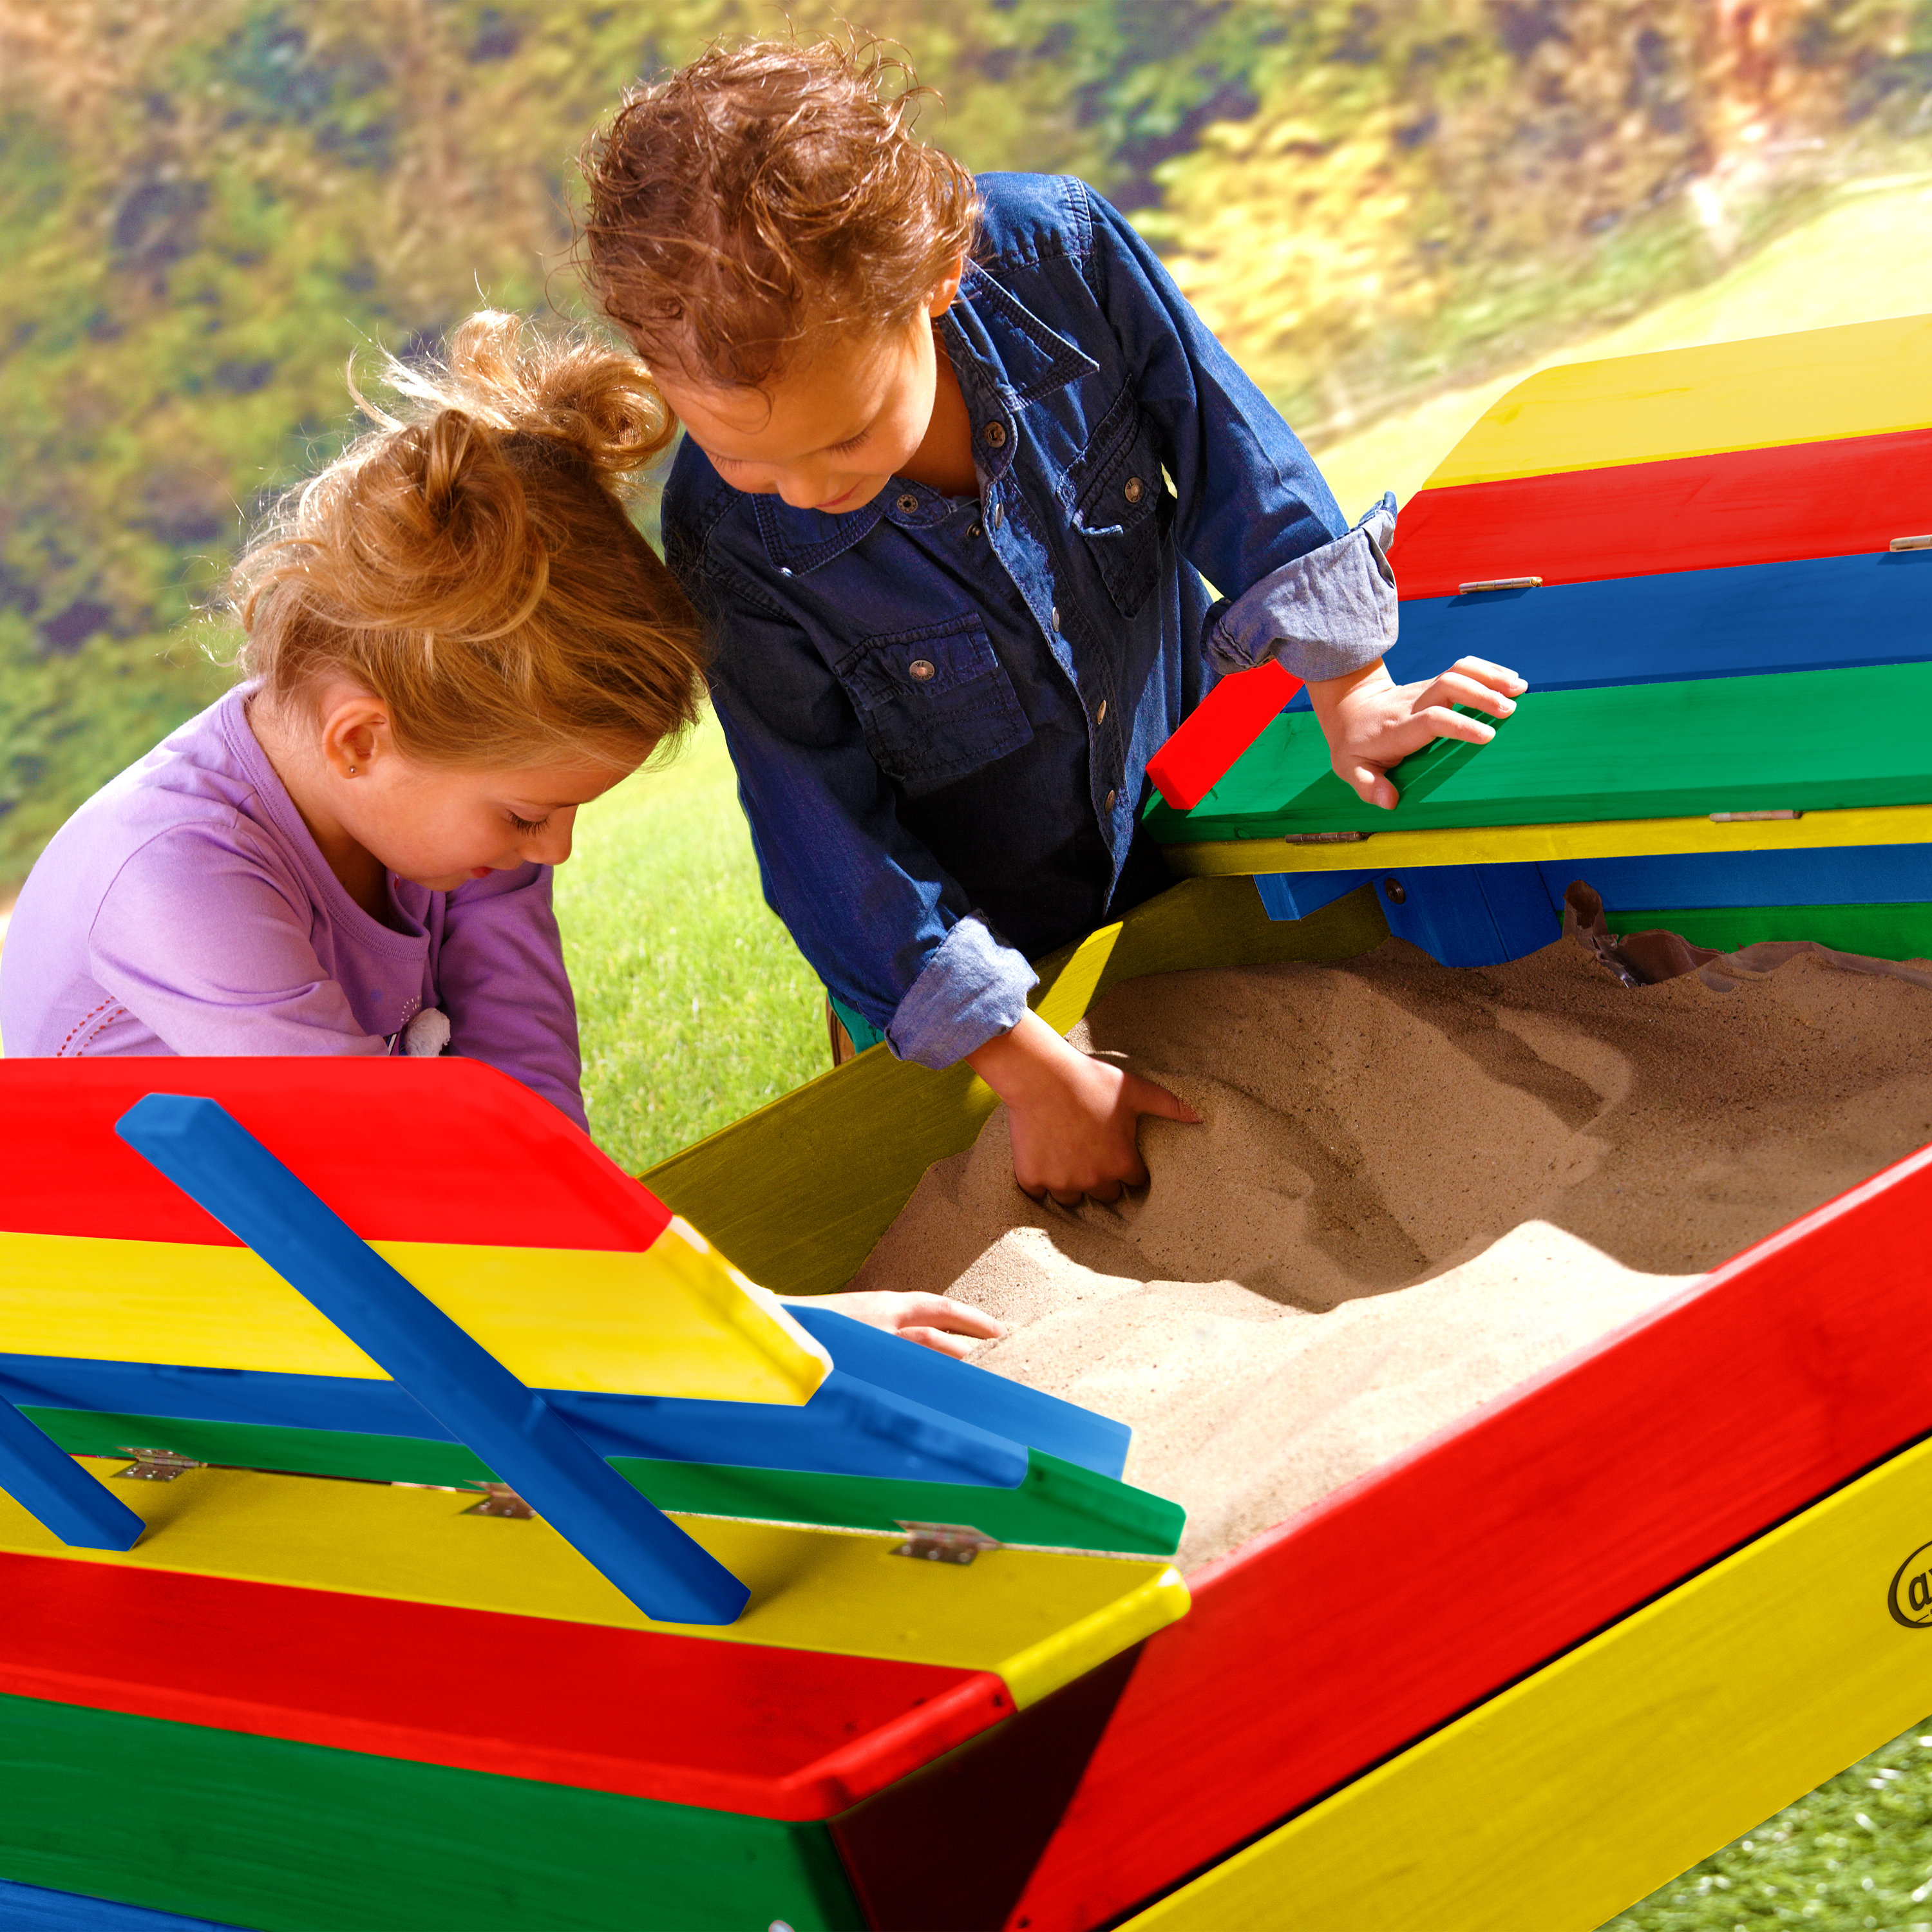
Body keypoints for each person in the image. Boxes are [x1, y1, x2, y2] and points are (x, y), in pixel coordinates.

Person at [576, 37, 1528, 1209]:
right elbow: (825, 836)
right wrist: (1027, 1075)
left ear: (935, 275)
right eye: (740, 454)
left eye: (842, 437)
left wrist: (1355, 690)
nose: (806, 487)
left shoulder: (1060, 259)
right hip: (980, 971)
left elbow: (1236, 460)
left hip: (1177, 821)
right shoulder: (731, 537)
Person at [0, 310, 1000, 1357]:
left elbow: (525, 1109)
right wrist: (755, 1334)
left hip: (324, 1250)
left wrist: (685, 1304)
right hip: (151, 1314)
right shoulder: (175, 876)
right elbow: (380, 1184)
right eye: (530, 813)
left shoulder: (449, 827)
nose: (554, 850)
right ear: (359, 741)